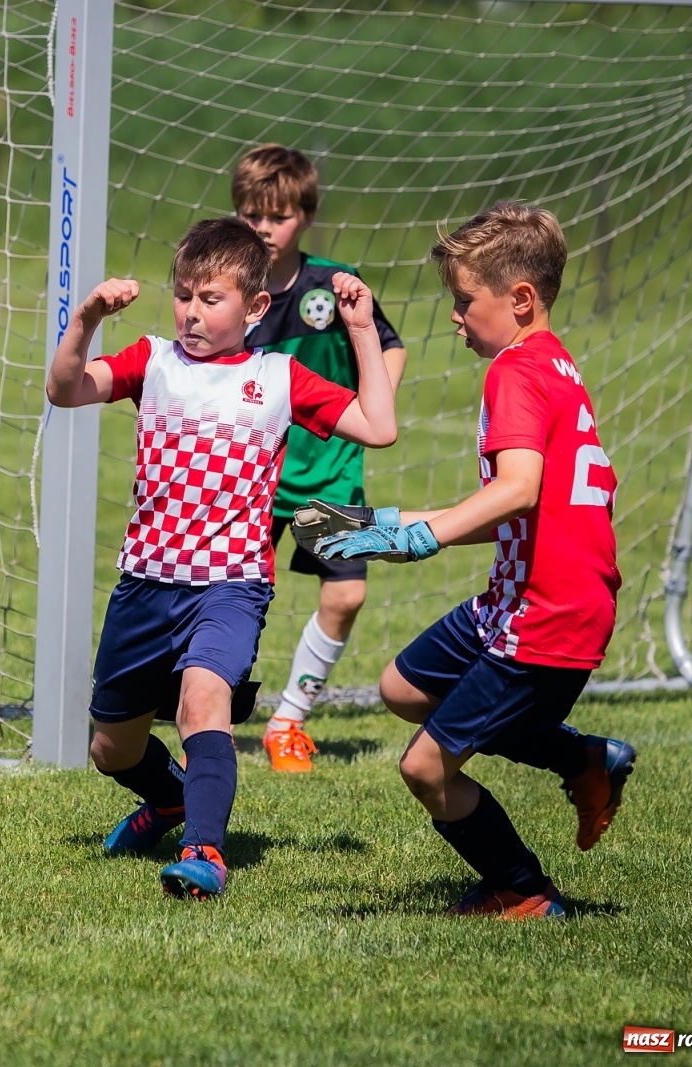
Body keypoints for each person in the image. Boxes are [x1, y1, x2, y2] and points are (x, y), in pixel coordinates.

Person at [46, 216, 397, 898]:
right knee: (110, 748)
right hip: (146, 583)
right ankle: (174, 797)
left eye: (211, 299)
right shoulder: (150, 361)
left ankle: (203, 851)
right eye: (183, 295)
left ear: (255, 307)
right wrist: (86, 317)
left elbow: (379, 427)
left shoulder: (279, 376)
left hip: (230, 586)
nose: (192, 312)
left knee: (201, 703)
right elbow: (64, 389)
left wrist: (360, 329)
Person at [313, 201, 635, 919]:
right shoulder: (555, 363)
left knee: (425, 766)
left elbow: (518, 491)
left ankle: (521, 888)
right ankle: (581, 759)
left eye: (464, 301)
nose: (455, 316)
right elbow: (529, 508)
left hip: (545, 613)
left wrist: (422, 540)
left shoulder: (513, 374)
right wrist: (382, 527)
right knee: (402, 688)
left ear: (519, 300)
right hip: (522, 595)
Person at [231, 143, 409, 773]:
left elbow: (389, 348)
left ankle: (287, 723)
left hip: (330, 470)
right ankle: (217, 711)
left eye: (276, 216)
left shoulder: (330, 285)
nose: (263, 228)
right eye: (252, 215)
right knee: (232, 596)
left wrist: (370, 407)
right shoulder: (228, 291)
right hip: (251, 473)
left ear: (303, 216)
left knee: (347, 595)